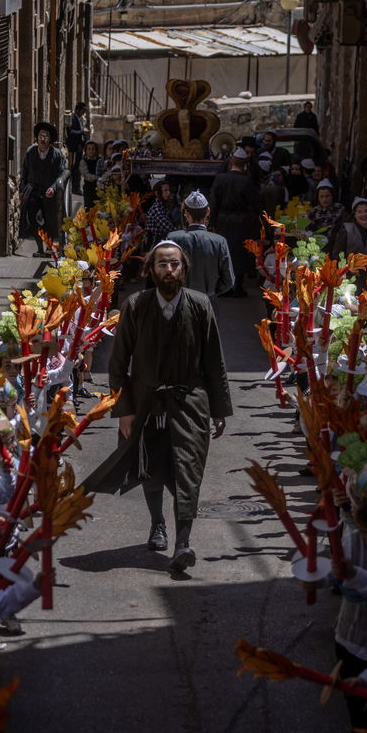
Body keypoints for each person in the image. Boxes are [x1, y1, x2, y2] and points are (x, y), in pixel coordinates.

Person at [84, 241, 233, 572]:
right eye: (163, 264)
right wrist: (123, 408)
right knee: (149, 464)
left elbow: (214, 361)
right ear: (151, 270)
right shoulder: (136, 305)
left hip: (190, 399)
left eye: (175, 264)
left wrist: (219, 408)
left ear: (184, 268)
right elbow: (118, 362)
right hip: (145, 399)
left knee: (188, 468)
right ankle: (157, 524)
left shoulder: (200, 306)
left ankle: (183, 543)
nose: (170, 270)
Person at [211, 147, 261, 296]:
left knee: (224, 253)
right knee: (239, 255)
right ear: (244, 165)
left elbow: (214, 202)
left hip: (223, 221)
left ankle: (224, 287)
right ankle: (237, 287)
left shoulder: (220, 179)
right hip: (242, 222)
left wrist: (212, 222)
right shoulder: (246, 181)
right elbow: (256, 203)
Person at [165, 190, 235, 300]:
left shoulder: (173, 238)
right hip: (208, 300)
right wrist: (211, 292)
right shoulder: (219, 241)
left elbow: (164, 273)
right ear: (208, 211)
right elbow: (229, 280)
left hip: (180, 300)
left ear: (186, 213)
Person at [20, 121, 68, 245]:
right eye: (41, 135)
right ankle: (39, 246)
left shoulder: (57, 155)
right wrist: (22, 190)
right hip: (34, 192)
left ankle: (50, 246)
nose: (43, 139)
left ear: (50, 138)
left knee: (50, 221)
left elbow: (61, 173)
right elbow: (24, 172)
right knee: (33, 219)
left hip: (49, 194)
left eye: (46, 136)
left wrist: (53, 188)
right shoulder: (31, 153)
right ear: (37, 137)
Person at [330, 199, 367, 291]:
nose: (363, 215)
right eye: (359, 212)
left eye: (366, 211)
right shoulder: (346, 230)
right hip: (350, 274)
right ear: (354, 214)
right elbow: (337, 254)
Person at [143, 179, 183, 253]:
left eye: (168, 190)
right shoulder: (156, 208)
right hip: (155, 244)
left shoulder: (163, 206)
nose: (168, 193)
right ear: (157, 193)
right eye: (165, 190)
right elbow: (169, 228)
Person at [77, 139, 104, 205]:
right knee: (89, 207)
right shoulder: (83, 161)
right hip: (89, 188)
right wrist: (97, 177)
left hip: (100, 188)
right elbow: (86, 175)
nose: (91, 151)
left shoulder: (100, 160)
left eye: (93, 149)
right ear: (85, 151)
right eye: (89, 149)